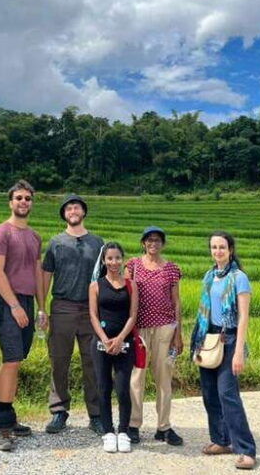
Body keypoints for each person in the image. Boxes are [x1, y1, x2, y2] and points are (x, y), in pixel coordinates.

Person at [191, 231, 256, 470]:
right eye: (214, 247)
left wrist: (239, 351)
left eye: (222, 247)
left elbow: (244, 317)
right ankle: (221, 440)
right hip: (208, 339)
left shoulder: (239, 278)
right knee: (210, 394)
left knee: (228, 395)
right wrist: (198, 342)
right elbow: (204, 313)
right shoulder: (209, 276)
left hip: (229, 339)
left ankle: (246, 450)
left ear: (230, 250)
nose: (217, 251)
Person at [39, 194, 104, 434]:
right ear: (64, 214)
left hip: (90, 310)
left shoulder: (98, 243)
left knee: (93, 362)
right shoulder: (56, 242)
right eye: (68, 208)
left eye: (76, 207)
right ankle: (59, 411)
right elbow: (45, 276)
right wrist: (42, 307)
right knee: (58, 360)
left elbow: (106, 278)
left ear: (83, 212)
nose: (73, 210)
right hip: (62, 307)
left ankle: (96, 414)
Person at [0, 179, 44, 451]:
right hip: (7, 301)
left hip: (28, 301)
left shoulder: (34, 237)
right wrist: (14, 306)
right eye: (18, 198)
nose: (23, 202)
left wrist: (41, 307)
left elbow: (37, 274)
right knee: (11, 358)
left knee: (16, 359)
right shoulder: (1, 232)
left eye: (28, 198)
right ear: (10, 202)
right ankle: (4, 424)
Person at [126, 226, 184, 446]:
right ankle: (133, 424)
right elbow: (126, 294)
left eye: (158, 240)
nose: (153, 244)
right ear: (143, 243)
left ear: (163, 244)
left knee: (164, 379)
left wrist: (178, 333)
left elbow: (177, 301)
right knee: (136, 377)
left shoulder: (171, 269)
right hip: (139, 330)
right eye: (149, 240)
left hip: (165, 329)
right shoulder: (132, 266)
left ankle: (164, 427)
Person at [88, 242, 138, 453]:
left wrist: (119, 339)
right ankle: (108, 432)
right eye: (110, 258)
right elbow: (93, 315)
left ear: (122, 259)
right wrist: (106, 339)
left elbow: (133, 315)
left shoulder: (131, 285)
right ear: (104, 261)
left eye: (118, 258)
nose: (114, 262)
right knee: (103, 387)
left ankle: (124, 431)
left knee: (123, 388)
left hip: (125, 343)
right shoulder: (96, 285)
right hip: (101, 343)